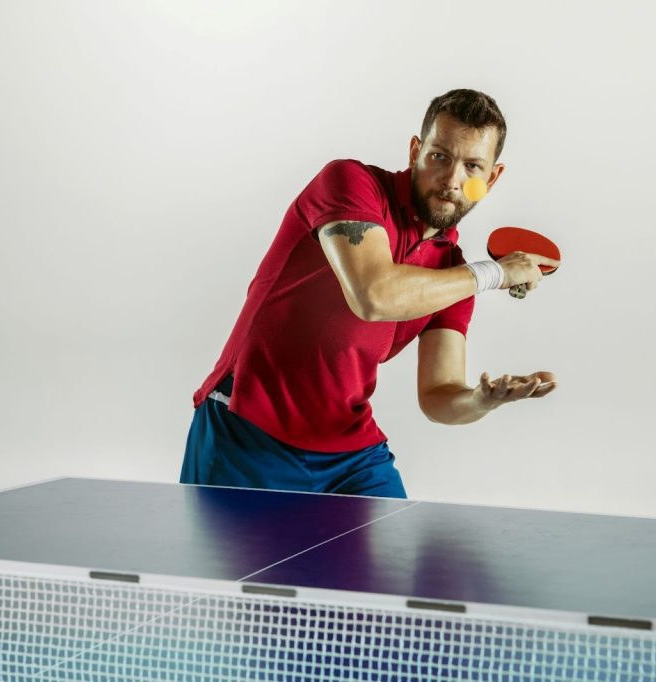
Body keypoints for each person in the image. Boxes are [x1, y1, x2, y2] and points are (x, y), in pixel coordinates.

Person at [181, 88, 558, 499]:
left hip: (349, 456)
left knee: (394, 563)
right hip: (246, 433)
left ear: (492, 177)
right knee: (226, 568)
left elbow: (438, 394)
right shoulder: (350, 184)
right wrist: (492, 274)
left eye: (472, 166)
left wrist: (483, 400)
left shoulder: (453, 273)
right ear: (415, 151)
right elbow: (373, 294)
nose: (452, 180)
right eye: (440, 157)